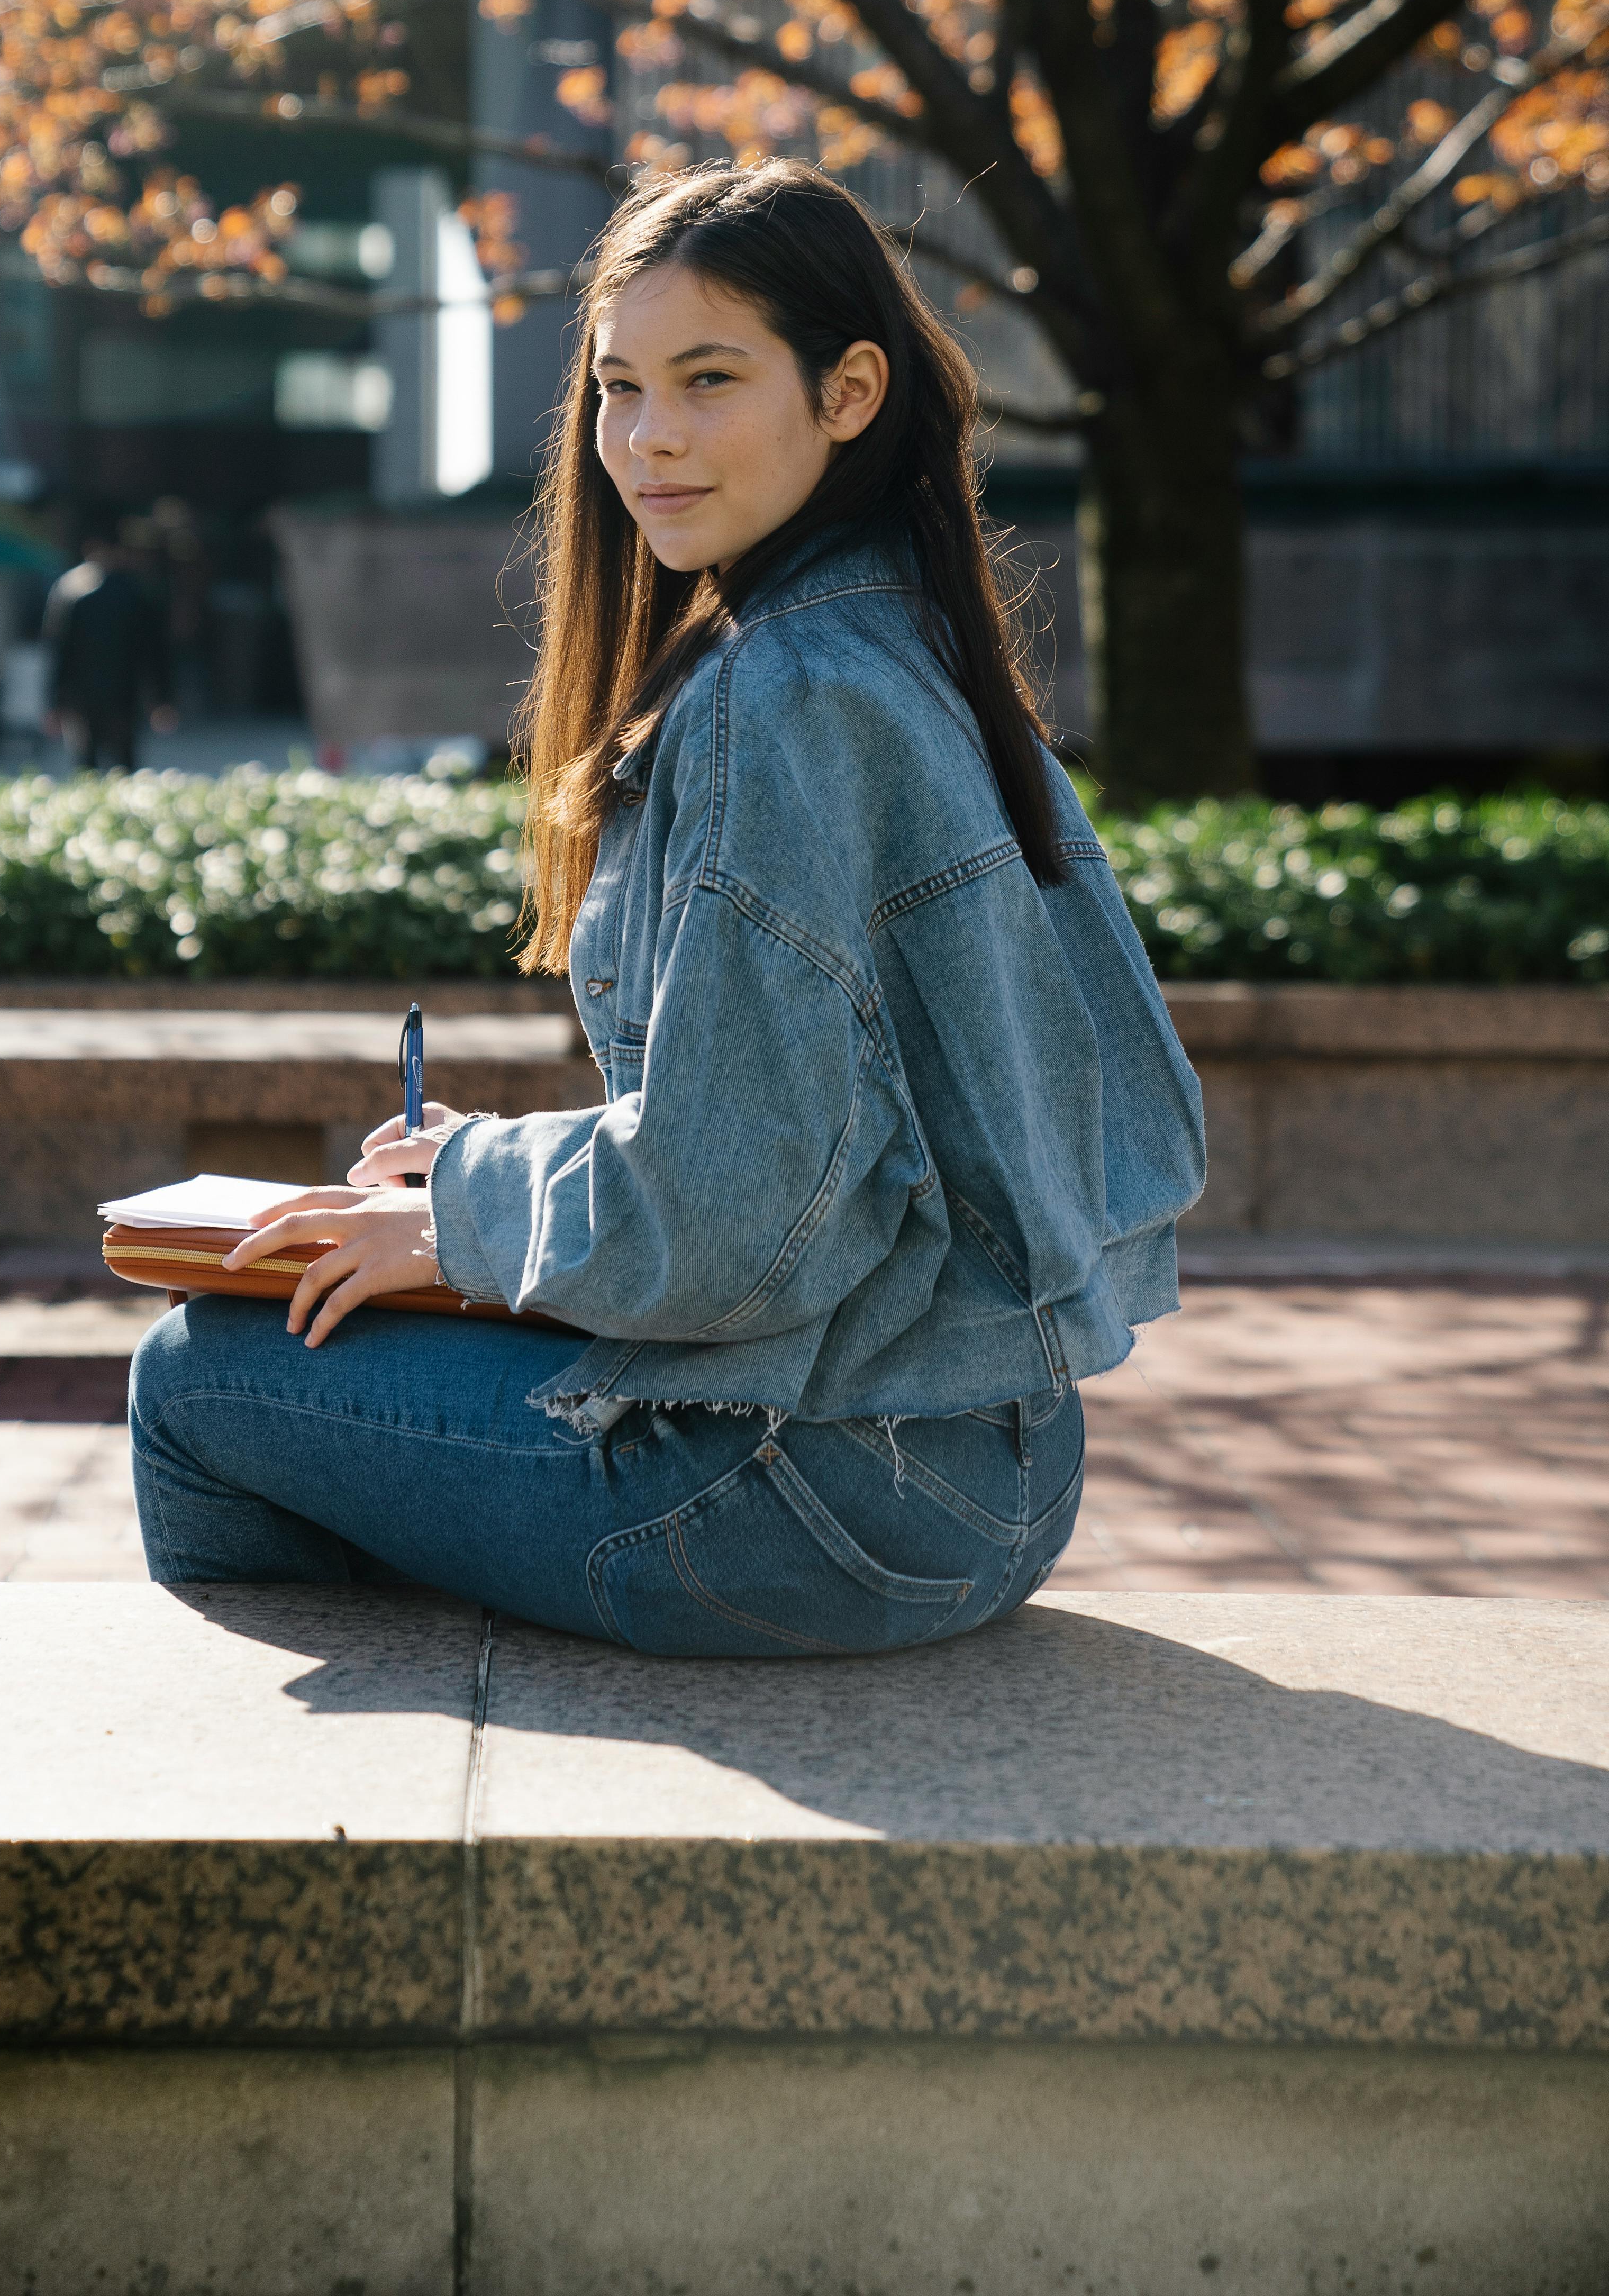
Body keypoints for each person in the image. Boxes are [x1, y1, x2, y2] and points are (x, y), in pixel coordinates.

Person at [129, 161, 1204, 1656]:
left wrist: (460, 1220)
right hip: (1003, 1476)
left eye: (709, 380)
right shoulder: (918, 647)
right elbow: (902, 1135)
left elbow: (726, 1219)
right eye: (618, 388)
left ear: (849, 391)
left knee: (198, 1375)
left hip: (807, 1499)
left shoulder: (784, 689)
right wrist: (491, 1175)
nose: (648, 439)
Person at [42, 523, 175, 770]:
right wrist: (161, 699)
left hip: (83, 695)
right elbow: (155, 652)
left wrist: (55, 703)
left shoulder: (70, 592)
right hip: (124, 692)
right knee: (125, 765)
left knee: (86, 767)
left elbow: (60, 653)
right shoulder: (138, 594)